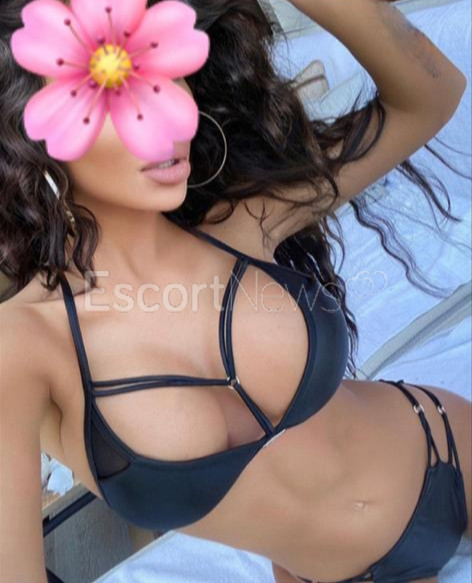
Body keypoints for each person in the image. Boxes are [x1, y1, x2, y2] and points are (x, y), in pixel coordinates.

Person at [0, 1, 470, 582]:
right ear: (33, 126)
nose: (172, 121)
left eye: (168, 78)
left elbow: (431, 95)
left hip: (443, 442)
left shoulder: (242, 220)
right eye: (121, 95)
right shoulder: (24, 346)